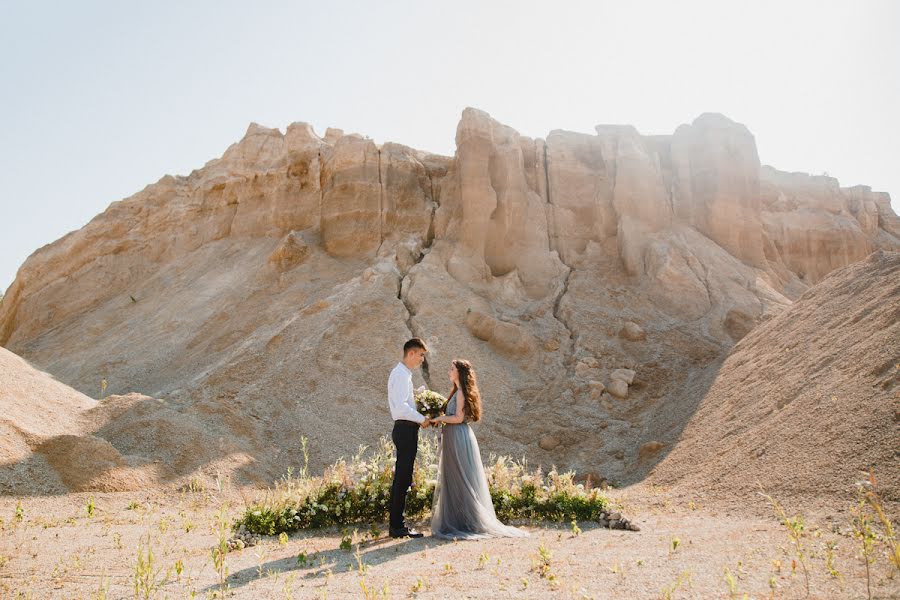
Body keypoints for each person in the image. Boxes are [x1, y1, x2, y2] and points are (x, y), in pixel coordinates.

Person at [430, 359, 529, 540]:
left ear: (459, 372)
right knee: (456, 477)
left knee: (461, 477)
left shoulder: (460, 393)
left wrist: (439, 418)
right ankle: (460, 519)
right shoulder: (457, 392)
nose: (449, 371)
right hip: (455, 436)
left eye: (452, 369)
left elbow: (459, 418)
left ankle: (467, 521)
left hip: (458, 436)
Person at [387, 337, 432, 538]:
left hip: (406, 429)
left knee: (403, 478)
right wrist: (421, 418)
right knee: (402, 479)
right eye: (421, 355)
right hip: (405, 429)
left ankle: (397, 524)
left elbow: (405, 402)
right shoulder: (401, 374)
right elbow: (400, 407)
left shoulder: (403, 374)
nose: (422, 359)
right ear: (411, 353)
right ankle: (398, 526)